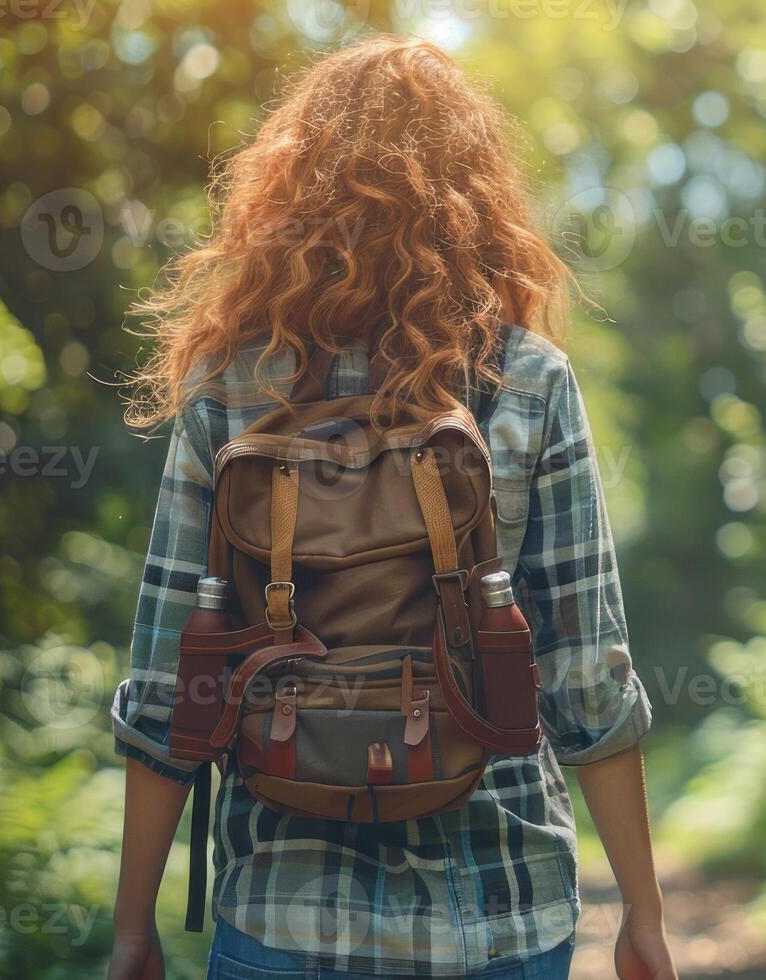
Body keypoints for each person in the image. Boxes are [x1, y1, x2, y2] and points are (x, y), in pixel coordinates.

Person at [105, 35, 676, 980]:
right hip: (499, 903)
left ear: (289, 196)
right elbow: (586, 675)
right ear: (475, 196)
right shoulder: (524, 381)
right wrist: (643, 917)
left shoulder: (232, 390)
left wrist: (134, 930)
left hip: (283, 909)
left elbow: (173, 678)